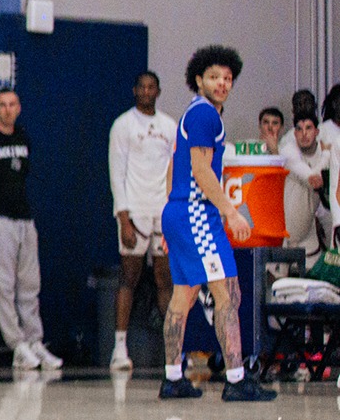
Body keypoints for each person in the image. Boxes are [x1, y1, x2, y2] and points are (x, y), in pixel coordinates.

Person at [159, 45, 275, 401]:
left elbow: (171, 169)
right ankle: (237, 380)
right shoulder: (206, 115)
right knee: (228, 293)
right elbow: (200, 170)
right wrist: (230, 211)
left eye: (227, 78)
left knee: (184, 295)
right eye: (214, 77)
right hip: (196, 213)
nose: (222, 83)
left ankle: (172, 377)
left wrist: (171, 222)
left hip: (180, 213)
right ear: (198, 80)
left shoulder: (193, 115)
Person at [0, 89, 60, 370]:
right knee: (2, 285)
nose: (7, 109)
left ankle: (34, 341)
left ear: (19, 108)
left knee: (29, 283)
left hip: (23, 218)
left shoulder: (22, 137)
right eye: (2, 105)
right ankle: (17, 345)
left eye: (12, 104)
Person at [107, 71, 176, 372]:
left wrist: (173, 213)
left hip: (163, 212)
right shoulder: (123, 125)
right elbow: (116, 173)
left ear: (158, 91)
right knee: (129, 277)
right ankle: (119, 348)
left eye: (152, 87)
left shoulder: (169, 126)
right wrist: (124, 218)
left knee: (165, 279)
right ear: (135, 90)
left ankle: (173, 349)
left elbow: (175, 171)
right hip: (134, 211)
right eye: (142, 87)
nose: (147, 92)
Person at [280, 107, 332, 263]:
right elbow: (313, 180)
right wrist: (326, 156)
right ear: (294, 133)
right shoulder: (288, 151)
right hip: (286, 233)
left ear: (316, 131)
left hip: (308, 232)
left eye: (308, 128)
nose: (304, 134)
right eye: (299, 129)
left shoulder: (322, 151)